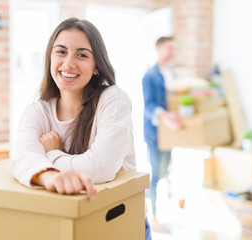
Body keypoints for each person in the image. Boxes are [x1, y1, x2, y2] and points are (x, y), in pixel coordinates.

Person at [10, 18, 151, 240]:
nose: (68, 63)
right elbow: (23, 158)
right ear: (50, 57)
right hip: (69, 224)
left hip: (122, 222)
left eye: (82, 54)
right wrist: (48, 177)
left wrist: (51, 154)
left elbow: (100, 167)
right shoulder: (37, 112)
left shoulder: (113, 99)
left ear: (97, 66)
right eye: (61, 52)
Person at [142, 36, 182, 232]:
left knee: (166, 171)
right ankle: (152, 218)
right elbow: (149, 106)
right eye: (169, 48)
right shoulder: (150, 75)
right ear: (158, 48)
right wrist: (165, 115)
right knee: (156, 174)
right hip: (155, 132)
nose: (172, 52)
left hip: (170, 132)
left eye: (174, 49)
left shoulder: (172, 73)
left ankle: (161, 213)